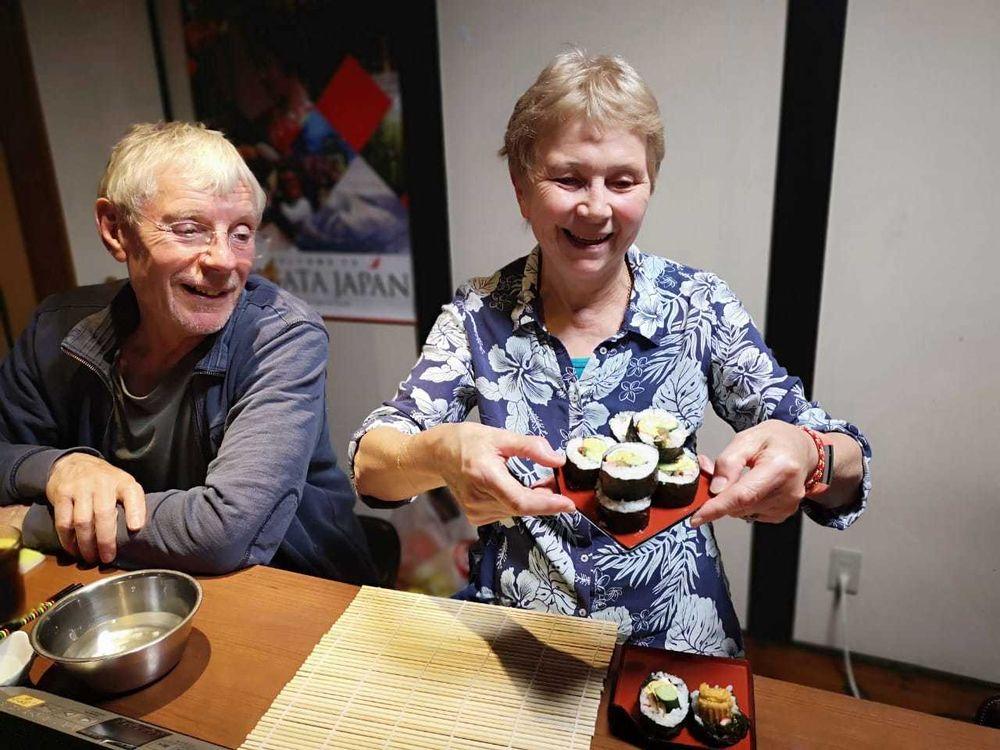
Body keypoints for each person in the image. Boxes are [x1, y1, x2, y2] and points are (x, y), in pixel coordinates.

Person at [350, 51, 871, 653]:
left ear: (649, 186)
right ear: (522, 190)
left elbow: (842, 455)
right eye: (568, 178)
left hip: (677, 641)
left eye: (622, 181)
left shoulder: (698, 305)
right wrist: (437, 450)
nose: (596, 208)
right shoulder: (478, 314)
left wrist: (811, 456)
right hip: (523, 641)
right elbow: (372, 464)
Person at [0, 122, 377, 583]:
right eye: (189, 229)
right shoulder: (55, 329)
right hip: (133, 584)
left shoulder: (281, 337)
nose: (223, 260)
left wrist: (30, 521)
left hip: (288, 588)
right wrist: (59, 467)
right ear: (116, 229)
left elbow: (223, 531)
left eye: (241, 233)